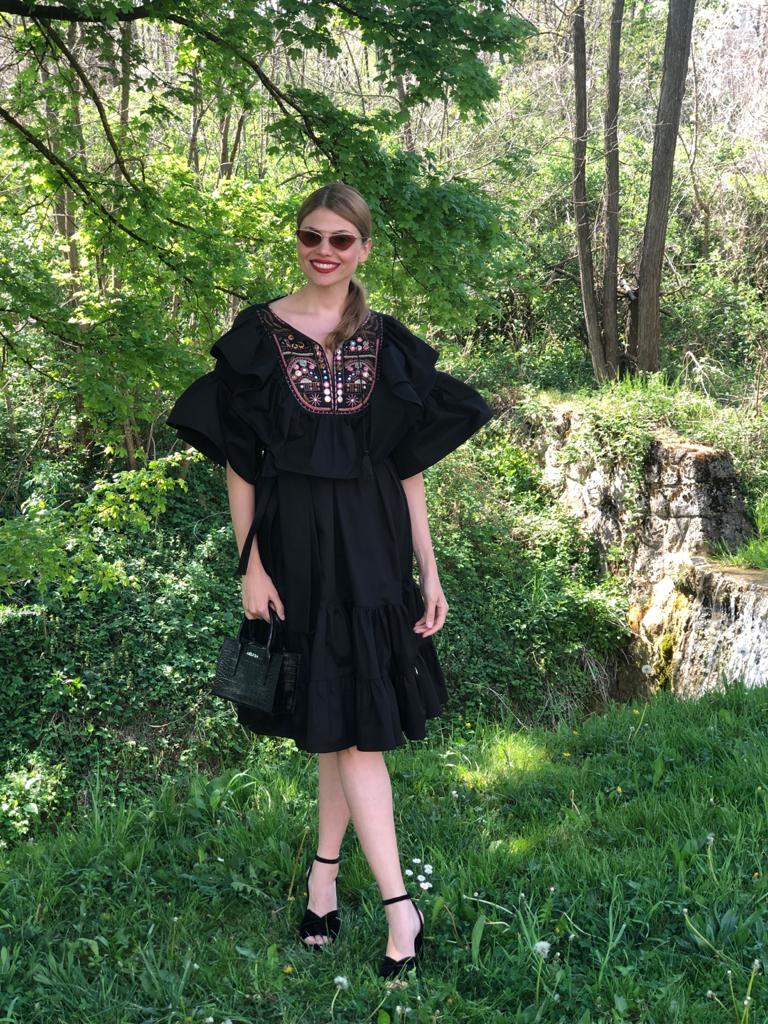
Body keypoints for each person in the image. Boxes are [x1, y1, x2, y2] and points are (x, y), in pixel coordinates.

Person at [166, 181, 493, 977]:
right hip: (295, 546)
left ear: (363, 250)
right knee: (333, 714)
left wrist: (430, 568)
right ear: (298, 240)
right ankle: (340, 883)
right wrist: (250, 564)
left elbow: (407, 467)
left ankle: (387, 904)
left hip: (374, 545)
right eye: (312, 235)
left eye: (341, 239)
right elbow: (241, 464)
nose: (324, 250)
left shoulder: (389, 343)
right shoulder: (257, 337)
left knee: (351, 725)